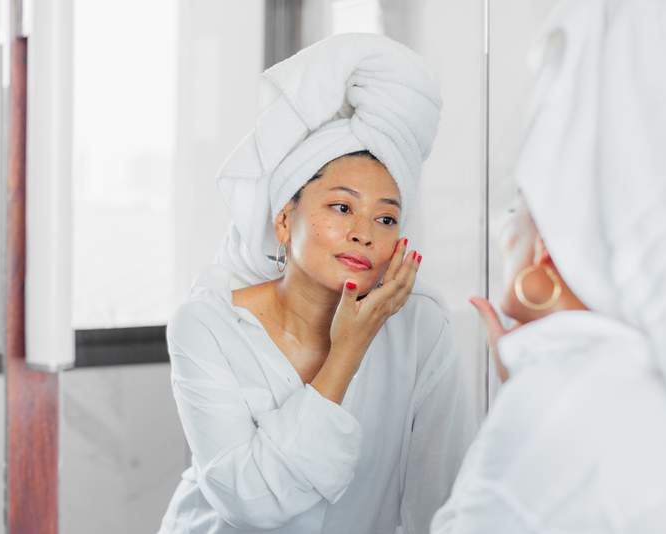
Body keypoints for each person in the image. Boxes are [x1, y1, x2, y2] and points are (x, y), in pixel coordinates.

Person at [431, 0, 666, 532]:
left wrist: (527, 393)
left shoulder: (557, 411)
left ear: (551, 245)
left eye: (518, 204)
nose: (504, 229)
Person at [158, 33, 465, 534]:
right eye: (341, 207)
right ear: (284, 221)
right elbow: (247, 502)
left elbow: (442, 491)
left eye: (387, 219)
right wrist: (347, 351)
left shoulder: (421, 325)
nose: (363, 233)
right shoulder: (209, 324)